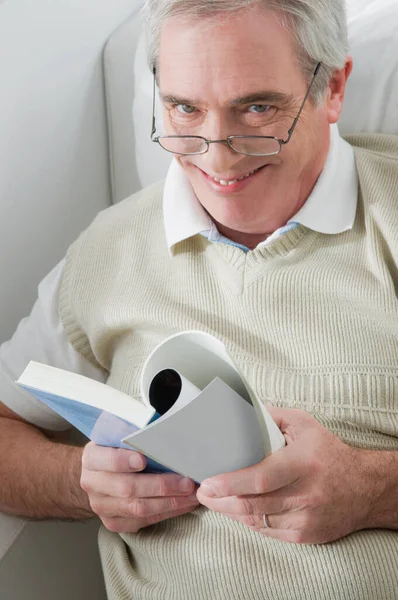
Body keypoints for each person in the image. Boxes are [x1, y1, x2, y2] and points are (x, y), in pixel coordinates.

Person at [1, 0, 397, 598]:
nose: (217, 155)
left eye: (257, 108)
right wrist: (80, 482)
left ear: (334, 87)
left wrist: (375, 491)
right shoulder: (110, 250)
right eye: (185, 108)